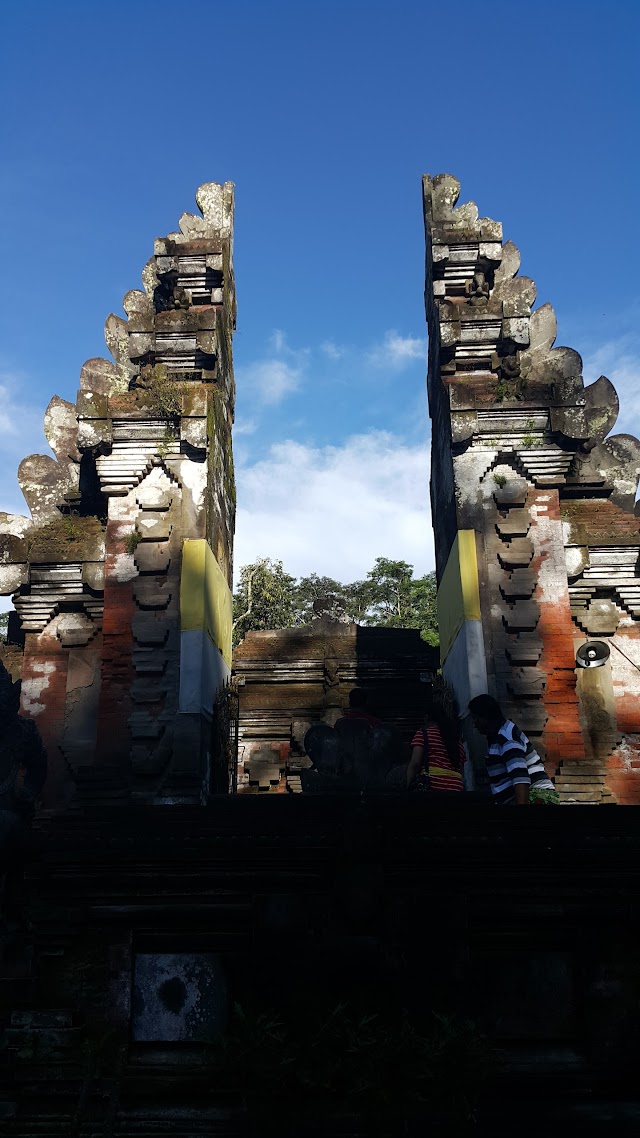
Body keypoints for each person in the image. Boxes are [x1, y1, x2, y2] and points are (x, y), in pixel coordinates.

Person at [0, 661, 47, 933]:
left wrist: (28, 793)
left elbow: (38, 765)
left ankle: (15, 915)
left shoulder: (20, 731)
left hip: (10, 813)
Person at [468, 693, 559, 805]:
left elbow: (520, 778)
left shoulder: (507, 738)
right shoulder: (496, 739)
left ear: (485, 718)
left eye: (476, 719)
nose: (474, 724)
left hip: (535, 797)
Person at [406, 696, 465, 792]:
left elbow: (415, 763)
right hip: (456, 787)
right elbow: (461, 769)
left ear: (426, 717)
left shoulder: (423, 734)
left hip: (433, 786)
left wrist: (407, 786)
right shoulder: (456, 740)